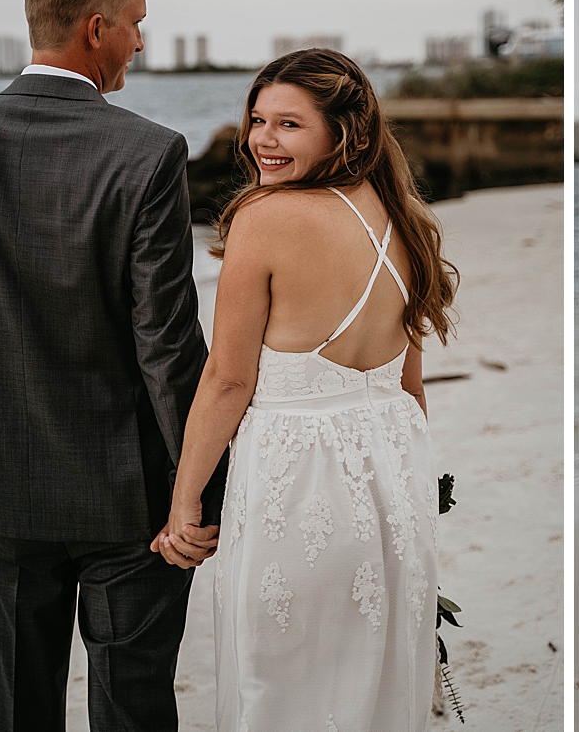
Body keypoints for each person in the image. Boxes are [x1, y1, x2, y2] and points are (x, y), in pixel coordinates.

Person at [0, 0, 225, 731]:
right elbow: (167, 346)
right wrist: (201, 487)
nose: (142, 41)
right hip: (133, 497)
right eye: (137, 23)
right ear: (96, 29)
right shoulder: (147, 154)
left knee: (14, 709)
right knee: (133, 708)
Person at [152, 48, 458, 731]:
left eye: (289, 124)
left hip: (300, 488)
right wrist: (415, 498)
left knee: (283, 687)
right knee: (371, 683)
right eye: (258, 120)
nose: (263, 138)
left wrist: (185, 503)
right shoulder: (402, 219)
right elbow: (410, 390)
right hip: (394, 481)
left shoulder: (264, 219)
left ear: (342, 132)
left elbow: (228, 381)